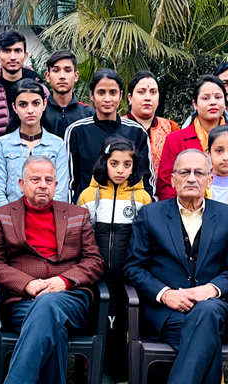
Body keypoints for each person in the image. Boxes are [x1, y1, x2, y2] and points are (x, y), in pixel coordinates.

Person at [124, 149, 228, 384]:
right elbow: (133, 268)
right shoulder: (151, 215)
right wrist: (165, 295)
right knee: (206, 338)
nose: (191, 178)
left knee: (207, 312)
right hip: (167, 314)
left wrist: (208, 290)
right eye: (184, 172)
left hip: (214, 308)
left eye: (199, 172)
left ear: (210, 180)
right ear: (172, 178)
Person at [0, 155, 104, 384]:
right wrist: (27, 284)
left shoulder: (77, 215)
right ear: (21, 184)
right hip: (23, 301)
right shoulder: (2, 216)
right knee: (54, 331)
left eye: (49, 180)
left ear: (56, 185)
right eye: (35, 179)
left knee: (48, 304)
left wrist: (64, 281)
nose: (42, 185)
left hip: (71, 299)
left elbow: (94, 261)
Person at [76, 136, 151, 383]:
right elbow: (80, 236)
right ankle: (88, 369)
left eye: (126, 165)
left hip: (125, 276)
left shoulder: (142, 199)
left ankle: (120, 370)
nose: (120, 170)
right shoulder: (89, 195)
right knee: (94, 321)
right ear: (104, 163)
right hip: (95, 276)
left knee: (121, 325)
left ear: (134, 166)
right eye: (114, 163)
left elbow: (145, 240)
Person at [65, 68, 155, 203]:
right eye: (101, 93)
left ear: (120, 95)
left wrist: (146, 216)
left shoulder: (136, 132)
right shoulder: (77, 131)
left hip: (127, 216)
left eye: (113, 93)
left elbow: (147, 180)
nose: (107, 99)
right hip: (86, 214)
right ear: (92, 96)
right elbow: (70, 182)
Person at [0, 79, 69, 207]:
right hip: (11, 220)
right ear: (14, 107)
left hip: (48, 220)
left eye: (36, 103)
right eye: (23, 104)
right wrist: (9, 220)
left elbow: (60, 192)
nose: (30, 110)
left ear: (44, 104)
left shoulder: (58, 145)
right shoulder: (2, 144)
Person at [156, 75, 226, 200]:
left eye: (218, 97)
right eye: (205, 98)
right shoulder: (175, 140)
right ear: (195, 104)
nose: (213, 102)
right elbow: (166, 186)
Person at [0, 30, 49, 136]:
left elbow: (49, 126)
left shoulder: (41, 90)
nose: (12, 57)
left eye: (17, 51)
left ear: (25, 56)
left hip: (33, 151)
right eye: (7, 51)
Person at [125, 70, 180, 172]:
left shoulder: (171, 128)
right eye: (141, 92)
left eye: (153, 92)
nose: (148, 98)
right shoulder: (118, 127)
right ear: (130, 98)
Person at [41, 50, 95, 138]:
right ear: (47, 76)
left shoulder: (88, 114)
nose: (62, 76)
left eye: (67, 70)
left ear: (76, 76)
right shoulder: (39, 112)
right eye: (56, 70)